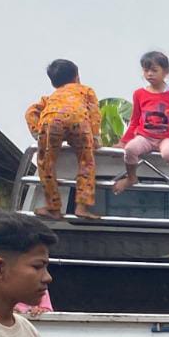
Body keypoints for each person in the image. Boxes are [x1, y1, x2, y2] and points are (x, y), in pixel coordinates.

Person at [113, 50, 169, 200]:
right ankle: (131, 177)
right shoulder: (139, 94)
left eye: (154, 70)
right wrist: (123, 142)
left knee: (168, 153)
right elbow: (135, 120)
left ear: (166, 72)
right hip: (145, 137)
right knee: (130, 149)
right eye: (146, 70)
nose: (149, 74)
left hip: (167, 138)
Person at [25, 58, 101, 221]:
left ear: (53, 83)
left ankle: (53, 207)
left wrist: (37, 132)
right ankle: (81, 207)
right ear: (77, 77)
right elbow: (94, 112)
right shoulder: (85, 90)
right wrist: (95, 137)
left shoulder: (50, 97)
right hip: (78, 121)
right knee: (86, 162)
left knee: (46, 163)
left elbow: (30, 111)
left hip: (51, 121)